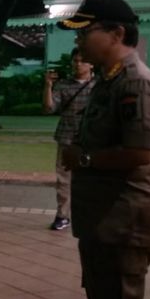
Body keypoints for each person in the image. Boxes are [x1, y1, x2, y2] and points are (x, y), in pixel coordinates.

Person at [59, 0, 150, 299]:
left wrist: (82, 159)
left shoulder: (135, 82)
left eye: (86, 33)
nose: (79, 43)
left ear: (117, 33)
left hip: (125, 221)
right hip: (106, 220)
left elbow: (142, 152)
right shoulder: (111, 79)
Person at [42, 48, 94, 231]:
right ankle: (62, 215)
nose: (78, 64)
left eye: (82, 60)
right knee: (64, 179)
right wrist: (48, 86)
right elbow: (49, 108)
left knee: (90, 179)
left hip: (92, 140)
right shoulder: (63, 85)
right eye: (75, 61)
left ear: (91, 63)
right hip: (66, 137)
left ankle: (88, 214)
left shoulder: (100, 85)